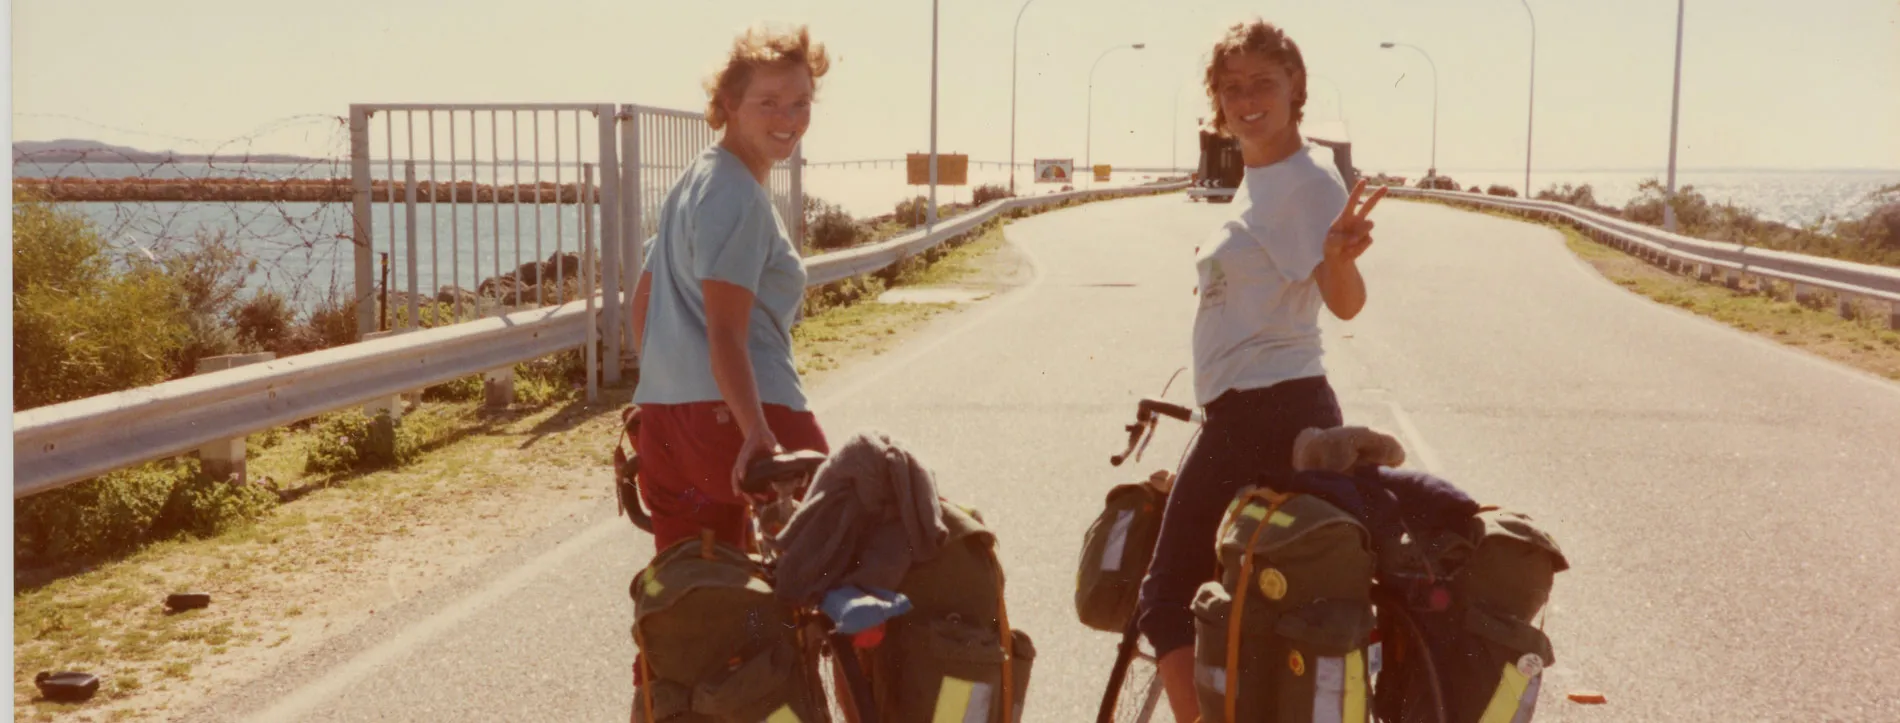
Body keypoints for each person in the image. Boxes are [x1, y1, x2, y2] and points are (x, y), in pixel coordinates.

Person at [1133, 17, 1387, 720]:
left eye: (1263, 84)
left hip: (1263, 412)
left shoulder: (1307, 183)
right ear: (1216, 99)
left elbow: (1344, 304)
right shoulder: (1261, 180)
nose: (1247, 99)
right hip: (1263, 409)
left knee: (1166, 600)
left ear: (1295, 88)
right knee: (1257, 596)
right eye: (1231, 86)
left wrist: (1338, 262)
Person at [629, 25, 832, 552]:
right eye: (769, 102)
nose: (788, 119)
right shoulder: (736, 194)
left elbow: (642, 306)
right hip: (747, 417)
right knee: (844, 559)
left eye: (800, 103)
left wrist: (662, 396)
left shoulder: (694, 181)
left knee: (703, 589)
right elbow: (724, 332)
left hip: (668, 428)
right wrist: (756, 432)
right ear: (730, 104)